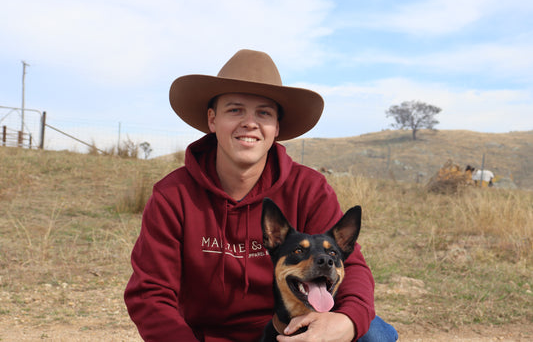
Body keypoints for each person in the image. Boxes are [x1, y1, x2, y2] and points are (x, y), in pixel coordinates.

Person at [124, 49, 398, 342]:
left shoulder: (309, 189)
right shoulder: (172, 196)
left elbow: (350, 264)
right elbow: (150, 294)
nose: (250, 123)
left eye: (263, 113)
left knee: (372, 334)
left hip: (292, 331)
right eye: (235, 110)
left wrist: (347, 321)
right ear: (212, 119)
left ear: (276, 127)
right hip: (206, 338)